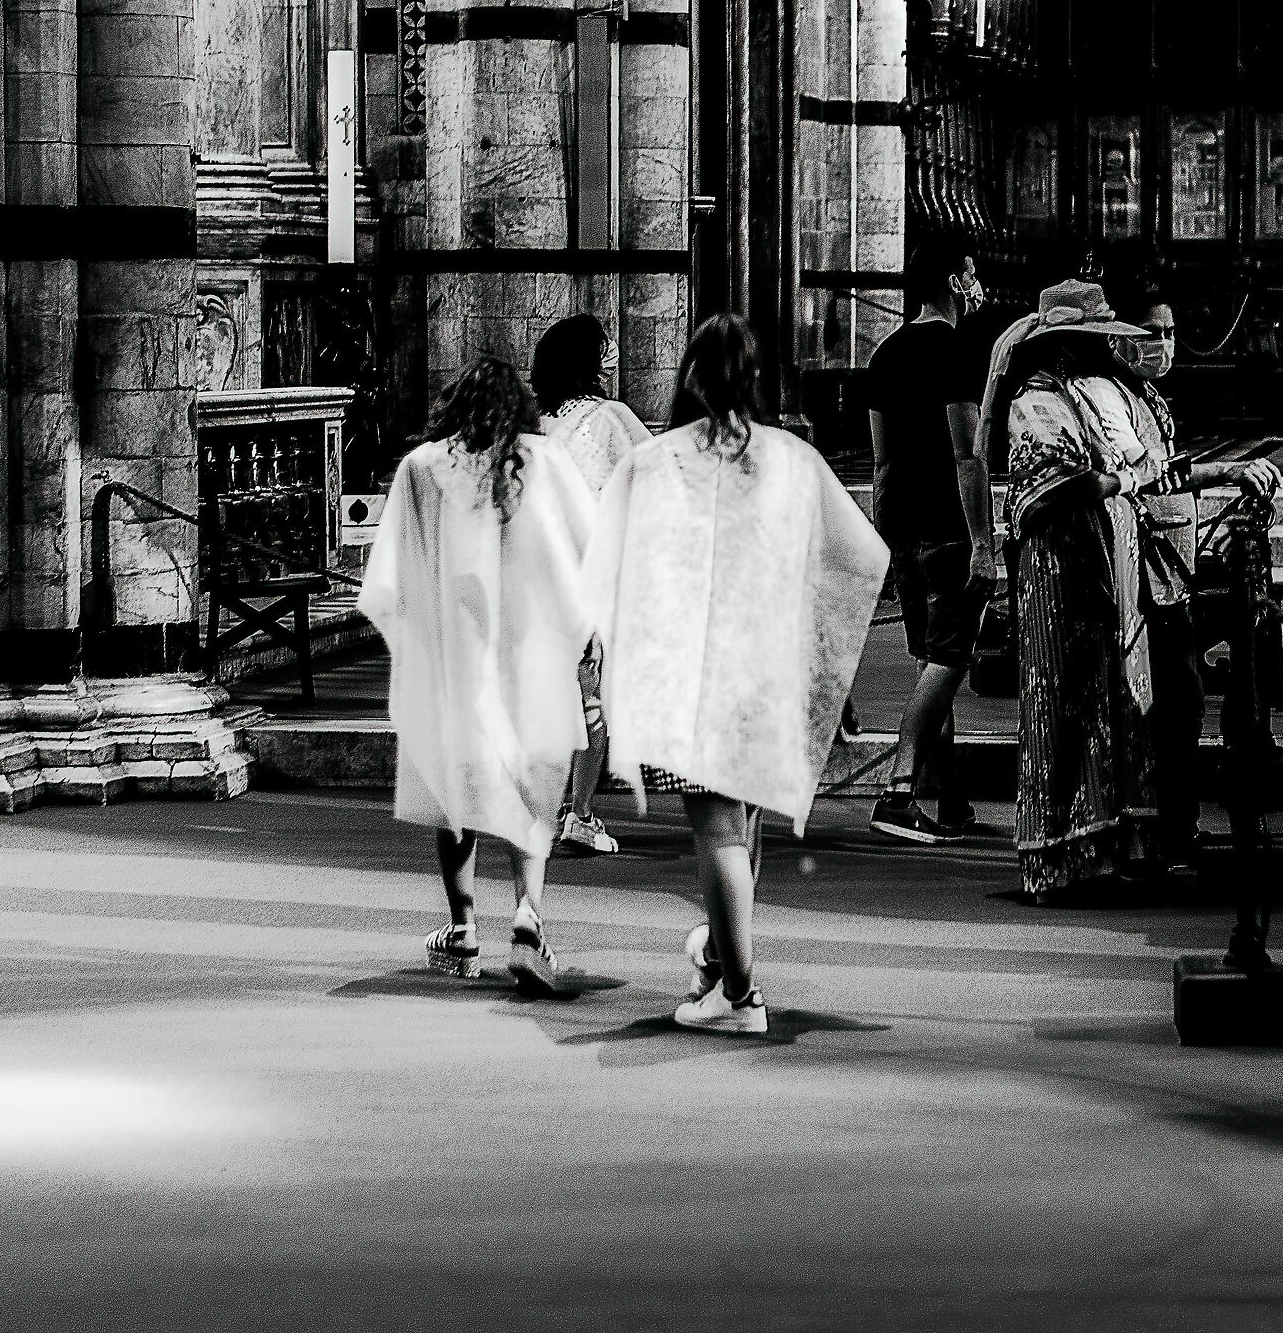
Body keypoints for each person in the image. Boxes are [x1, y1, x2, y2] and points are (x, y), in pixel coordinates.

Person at [584, 316, 888, 1034]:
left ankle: (741, 995)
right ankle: (721, 958)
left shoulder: (655, 463)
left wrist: (610, 663)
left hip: (691, 669)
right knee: (743, 820)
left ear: (688, 376)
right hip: (769, 663)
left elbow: (608, 572)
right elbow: (861, 554)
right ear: (757, 378)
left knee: (715, 826)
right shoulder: (791, 458)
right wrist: (818, 642)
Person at [358, 359, 598, 998]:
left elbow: (397, 571)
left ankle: (463, 925)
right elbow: (588, 549)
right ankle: (528, 912)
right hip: (534, 651)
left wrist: (415, 641)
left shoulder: (423, 467)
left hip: (456, 655)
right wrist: (591, 634)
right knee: (533, 779)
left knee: (454, 775)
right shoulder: (542, 461)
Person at [978, 282, 1157, 901]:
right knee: (1059, 701)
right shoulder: (1037, 401)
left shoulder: (1107, 392)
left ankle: (1103, 847)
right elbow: (1047, 484)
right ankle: (1053, 854)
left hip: (1106, 558)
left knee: (1106, 698)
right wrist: (1113, 480)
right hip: (1057, 566)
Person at [1110, 300, 1280, 865]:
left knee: (1205, 684)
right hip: (1146, 575)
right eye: (1151, 331)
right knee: (1178, 703)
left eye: (1171, 331)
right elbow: (1157, 475)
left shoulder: (1148, 398)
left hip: (1171, 567)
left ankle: (1212, 803)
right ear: (1121, 337)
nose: (1163, 342)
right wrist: (1228, 471)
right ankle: (1174, 828)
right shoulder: (1111, 395)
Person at [862, 241, 996, 845]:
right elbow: (968, 455)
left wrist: (886, 542)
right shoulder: (958, 351)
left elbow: (883, 462)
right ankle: (897, 789)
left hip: (905, 531)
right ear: (950, 279)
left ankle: (952, 802)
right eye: (970, 272)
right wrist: (984, 541)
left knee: (931, 662)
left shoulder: (884, 357)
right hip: (948, 530)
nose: (978, 284)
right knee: (948, 662)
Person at [529, 313, 655, 857]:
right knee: (593, 700)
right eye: (603, 349)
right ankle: (577, 813)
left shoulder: (536, 424)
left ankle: (549, 808)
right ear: (586, 362)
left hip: (540, 576)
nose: (611, 356)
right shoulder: (613, 418)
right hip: (591, 575)